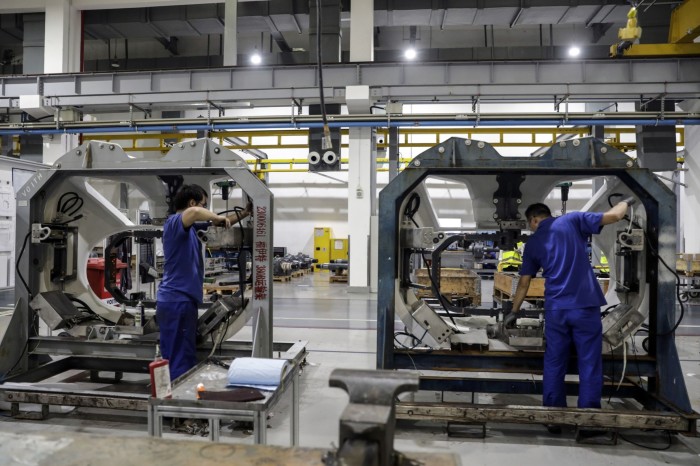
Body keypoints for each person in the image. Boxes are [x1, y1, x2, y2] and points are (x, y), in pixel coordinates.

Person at [508, 199, 632, 421]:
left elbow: (524, 282)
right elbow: (614, 216)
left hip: (557, 309)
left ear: (534, 220)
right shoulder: (573, 220)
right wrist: (626, 201)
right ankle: (588, 418)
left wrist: (514, 311)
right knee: (590, 362)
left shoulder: (533, 243)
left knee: (555, 362)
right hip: (585, 306)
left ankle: (554, 417)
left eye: (529, 224)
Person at [156, 184, 252, 380]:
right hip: (176, 300)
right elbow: (195, 212)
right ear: (192, 202)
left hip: (183, 300)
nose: (205, 208)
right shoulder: (174, 223)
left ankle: (177, 396)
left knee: (184, 352)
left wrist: (244, 214)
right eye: (204, 203)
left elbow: (221, 223)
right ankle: (175, 402)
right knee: (178, 357)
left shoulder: (189, 228)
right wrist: (216, 216)